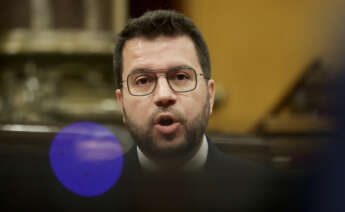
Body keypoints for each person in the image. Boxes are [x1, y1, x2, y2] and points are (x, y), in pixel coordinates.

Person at [107, 9, 283, 212]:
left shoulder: (271, 195)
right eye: (143, 81)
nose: (164, 95)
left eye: (180, 77)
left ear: (209, 96)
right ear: (121, 103)